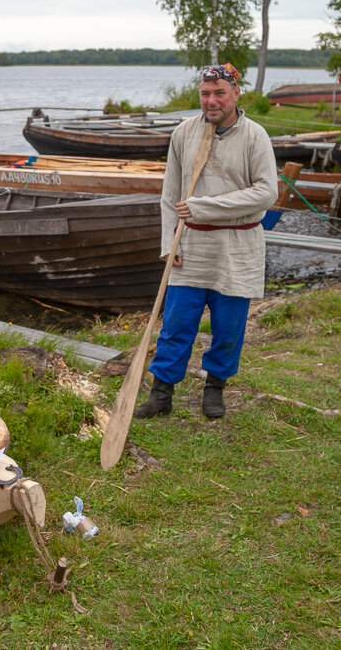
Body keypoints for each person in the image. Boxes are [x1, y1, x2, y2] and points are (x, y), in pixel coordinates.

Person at [134, 63, 278, 421]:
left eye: (219, 93)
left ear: (235, 94)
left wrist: (204, 207)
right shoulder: (184, 133)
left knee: (228, 328)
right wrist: (170, 243)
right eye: (205, 94)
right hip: (191, 245)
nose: (212, 101)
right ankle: (161, 393)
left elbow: (266, 193)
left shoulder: (255, 135)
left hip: (237, 246)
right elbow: (170, 195)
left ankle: (215, 389)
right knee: (177, 323)